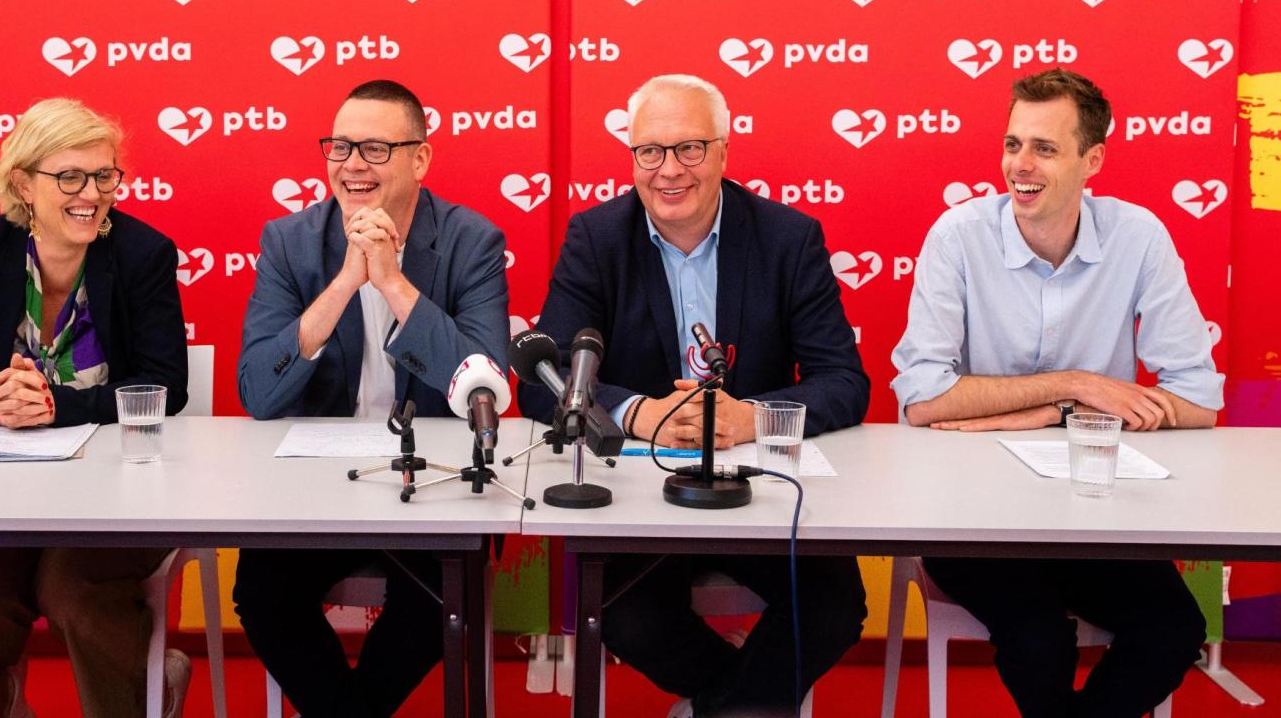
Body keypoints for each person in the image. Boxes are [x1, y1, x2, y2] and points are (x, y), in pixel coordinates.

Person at [519, 74, 870, 718]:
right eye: (649, 152)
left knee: (834, 608)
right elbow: (546, 384)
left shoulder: (788, 238)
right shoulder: (596, 239)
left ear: (724, 153)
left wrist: (751, 417)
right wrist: (640, 414)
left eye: (689, 149)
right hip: (641, 498)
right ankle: (734, 705)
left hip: (758, 489)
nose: (668, 170)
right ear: (632, 158)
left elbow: (845, 381)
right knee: (625, 615)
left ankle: (718, 706)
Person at [891, 68, 1219, 718]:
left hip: (1097, 514)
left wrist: (1049, 409)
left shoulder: (1139, 237)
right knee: (1039, 638)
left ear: (1091, 160)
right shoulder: (957, 237)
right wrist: (1074, 389)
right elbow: (923, 398)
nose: (1020, 165)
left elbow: (1198, 401)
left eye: (1044, 148)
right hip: (971, 515)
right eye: (1013, 145)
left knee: (1176, 629)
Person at [234, 80, 509, 718]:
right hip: (312, 483)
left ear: (421, 159)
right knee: (263, 592)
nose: (353, 163)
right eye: (340, 145)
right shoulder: (290, 241)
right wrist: (344, 286)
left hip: (432, 485)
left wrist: (390, 282)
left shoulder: (472, 242)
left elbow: (484, 387)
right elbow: (258, 393)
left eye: (377, 148)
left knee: (443, 593)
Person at [0, 98, 190, 718]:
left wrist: (55, 407)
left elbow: (167, 385)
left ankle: (146, 689)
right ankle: (3, 703)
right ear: (22, 185)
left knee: (77, 596)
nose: (91, 193)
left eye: (104, 175)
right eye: (70, 177)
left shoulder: (144, 253)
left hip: (116, 485)